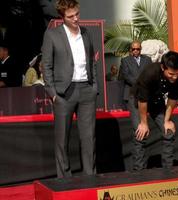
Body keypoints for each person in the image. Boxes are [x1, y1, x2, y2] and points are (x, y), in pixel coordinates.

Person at [42, 0, 98, 178]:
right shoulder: (52, 35)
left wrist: (94, 85)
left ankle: (90, 178)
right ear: (62, 17)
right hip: (63, 93)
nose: (75, 18)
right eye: (70, 16)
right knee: (62, 140)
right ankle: (65, 181)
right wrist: (53, 94)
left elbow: (92, 61)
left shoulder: (86, 33)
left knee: (89, 139)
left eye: (77, 14)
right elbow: (46, 66)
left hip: (87, 90)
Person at [129, 51, 178, 170]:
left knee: (168, 132)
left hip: (157, 101)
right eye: (171, 74)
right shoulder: (150, 72)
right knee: (141, 134)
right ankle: (139, 172)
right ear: (163, 67)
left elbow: (173, 98)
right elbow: (142, 100)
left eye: (177, 73)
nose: (175, 77)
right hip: (138, 100)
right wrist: (143, 123)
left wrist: (167, 120)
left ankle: (168, 171)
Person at [119, 41, 152, 109]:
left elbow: (150, 73)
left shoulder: (147, 59)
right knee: (136, 119)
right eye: (133, 49)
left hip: (145, 93)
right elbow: (126, 76)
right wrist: (140, 84)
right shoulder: (125, 60)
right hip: (131, 94)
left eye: (137, 49)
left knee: (146, 118)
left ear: (141, 49)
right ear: (130, 49)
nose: (135, 51)